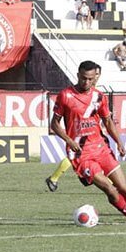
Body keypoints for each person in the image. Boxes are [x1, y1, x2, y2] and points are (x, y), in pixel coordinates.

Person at [50, 61, 126, 224]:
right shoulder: (65, 95)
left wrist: (119, 141)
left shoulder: (98, 96)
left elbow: (108, 121)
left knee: (124, 188)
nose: (87, 82)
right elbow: (54, 124)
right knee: (109, 188)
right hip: (81, 154)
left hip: (101, 148)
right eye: (83, 78)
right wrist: (68, 140)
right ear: (78, 75)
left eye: (90, 79)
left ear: (94, 77)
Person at [45, 63, 101, 191]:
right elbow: (55, 122)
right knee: (77, 157)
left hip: (92, 134)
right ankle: (54, 178)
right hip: (79, 134)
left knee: (86, 158)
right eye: (94, 74)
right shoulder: (70, 94)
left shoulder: (97, 94)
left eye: (96, 75)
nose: (94, 78)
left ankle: (55, 178)